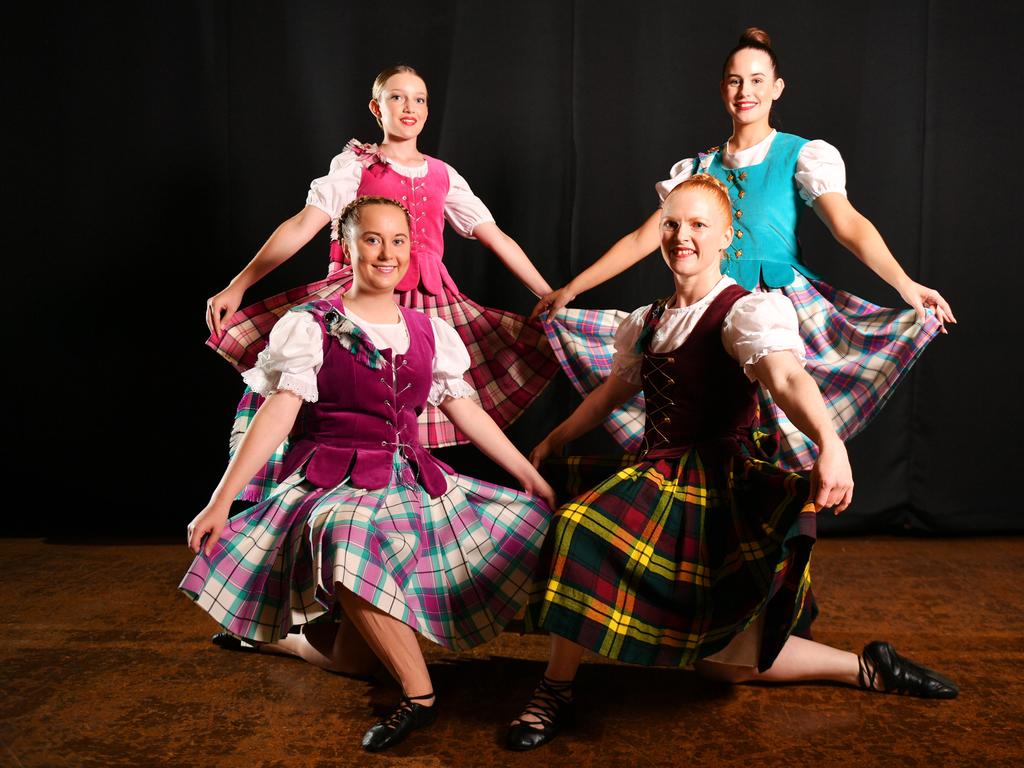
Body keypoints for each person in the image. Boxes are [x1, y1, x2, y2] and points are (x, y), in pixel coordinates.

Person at [506, 176, 957, 752]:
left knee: (725, 665)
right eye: (672, 224)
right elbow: (612, 393)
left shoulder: (747, 312)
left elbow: (789, 378)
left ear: (727, 236)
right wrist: (550, 441)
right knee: (577, 529)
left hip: (718, 484)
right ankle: (555, 690)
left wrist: (830, 442)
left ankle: (867, 667)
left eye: (698, 225)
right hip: (657, 474)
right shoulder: (645, 320)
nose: (682, 236)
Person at [182, 196, 556, 752]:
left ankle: (274, 641)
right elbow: (278, 412)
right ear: (348, 247)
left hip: (407, 481)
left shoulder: (430, 332)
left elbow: (465, 408)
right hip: (334, 482)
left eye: (399, 240)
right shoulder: (310, 326)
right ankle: (421, 698)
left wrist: (529, 474)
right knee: (346, 531)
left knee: (355, 662)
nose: (387, 252)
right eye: (373, 239)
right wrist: (219, 501)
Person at [534, 28, 955, 470]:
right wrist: (571, 290)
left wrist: (905, 284)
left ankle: (785, 525)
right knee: (708, 417)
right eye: (735, 80)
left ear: (776, 88)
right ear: (722, 89)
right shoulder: (698, 168)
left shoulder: (800, 154)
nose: (745, 91)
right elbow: (645, 237)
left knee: (783, 430)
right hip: (706, 306)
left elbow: (847, 224)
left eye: (757, 80)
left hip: (775, 304)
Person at [206, 64, 557, 500]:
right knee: (337, 400)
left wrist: (546, 292)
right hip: (359, 293)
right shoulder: (355, 165)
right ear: (377, 107)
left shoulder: (443, 174)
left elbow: (494, 236)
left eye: (419, 99)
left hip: (426, 303)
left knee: (413, 409)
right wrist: (240, 284)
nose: (409, 107)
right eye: (397, 97)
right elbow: (302, 225)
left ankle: (405, 498)